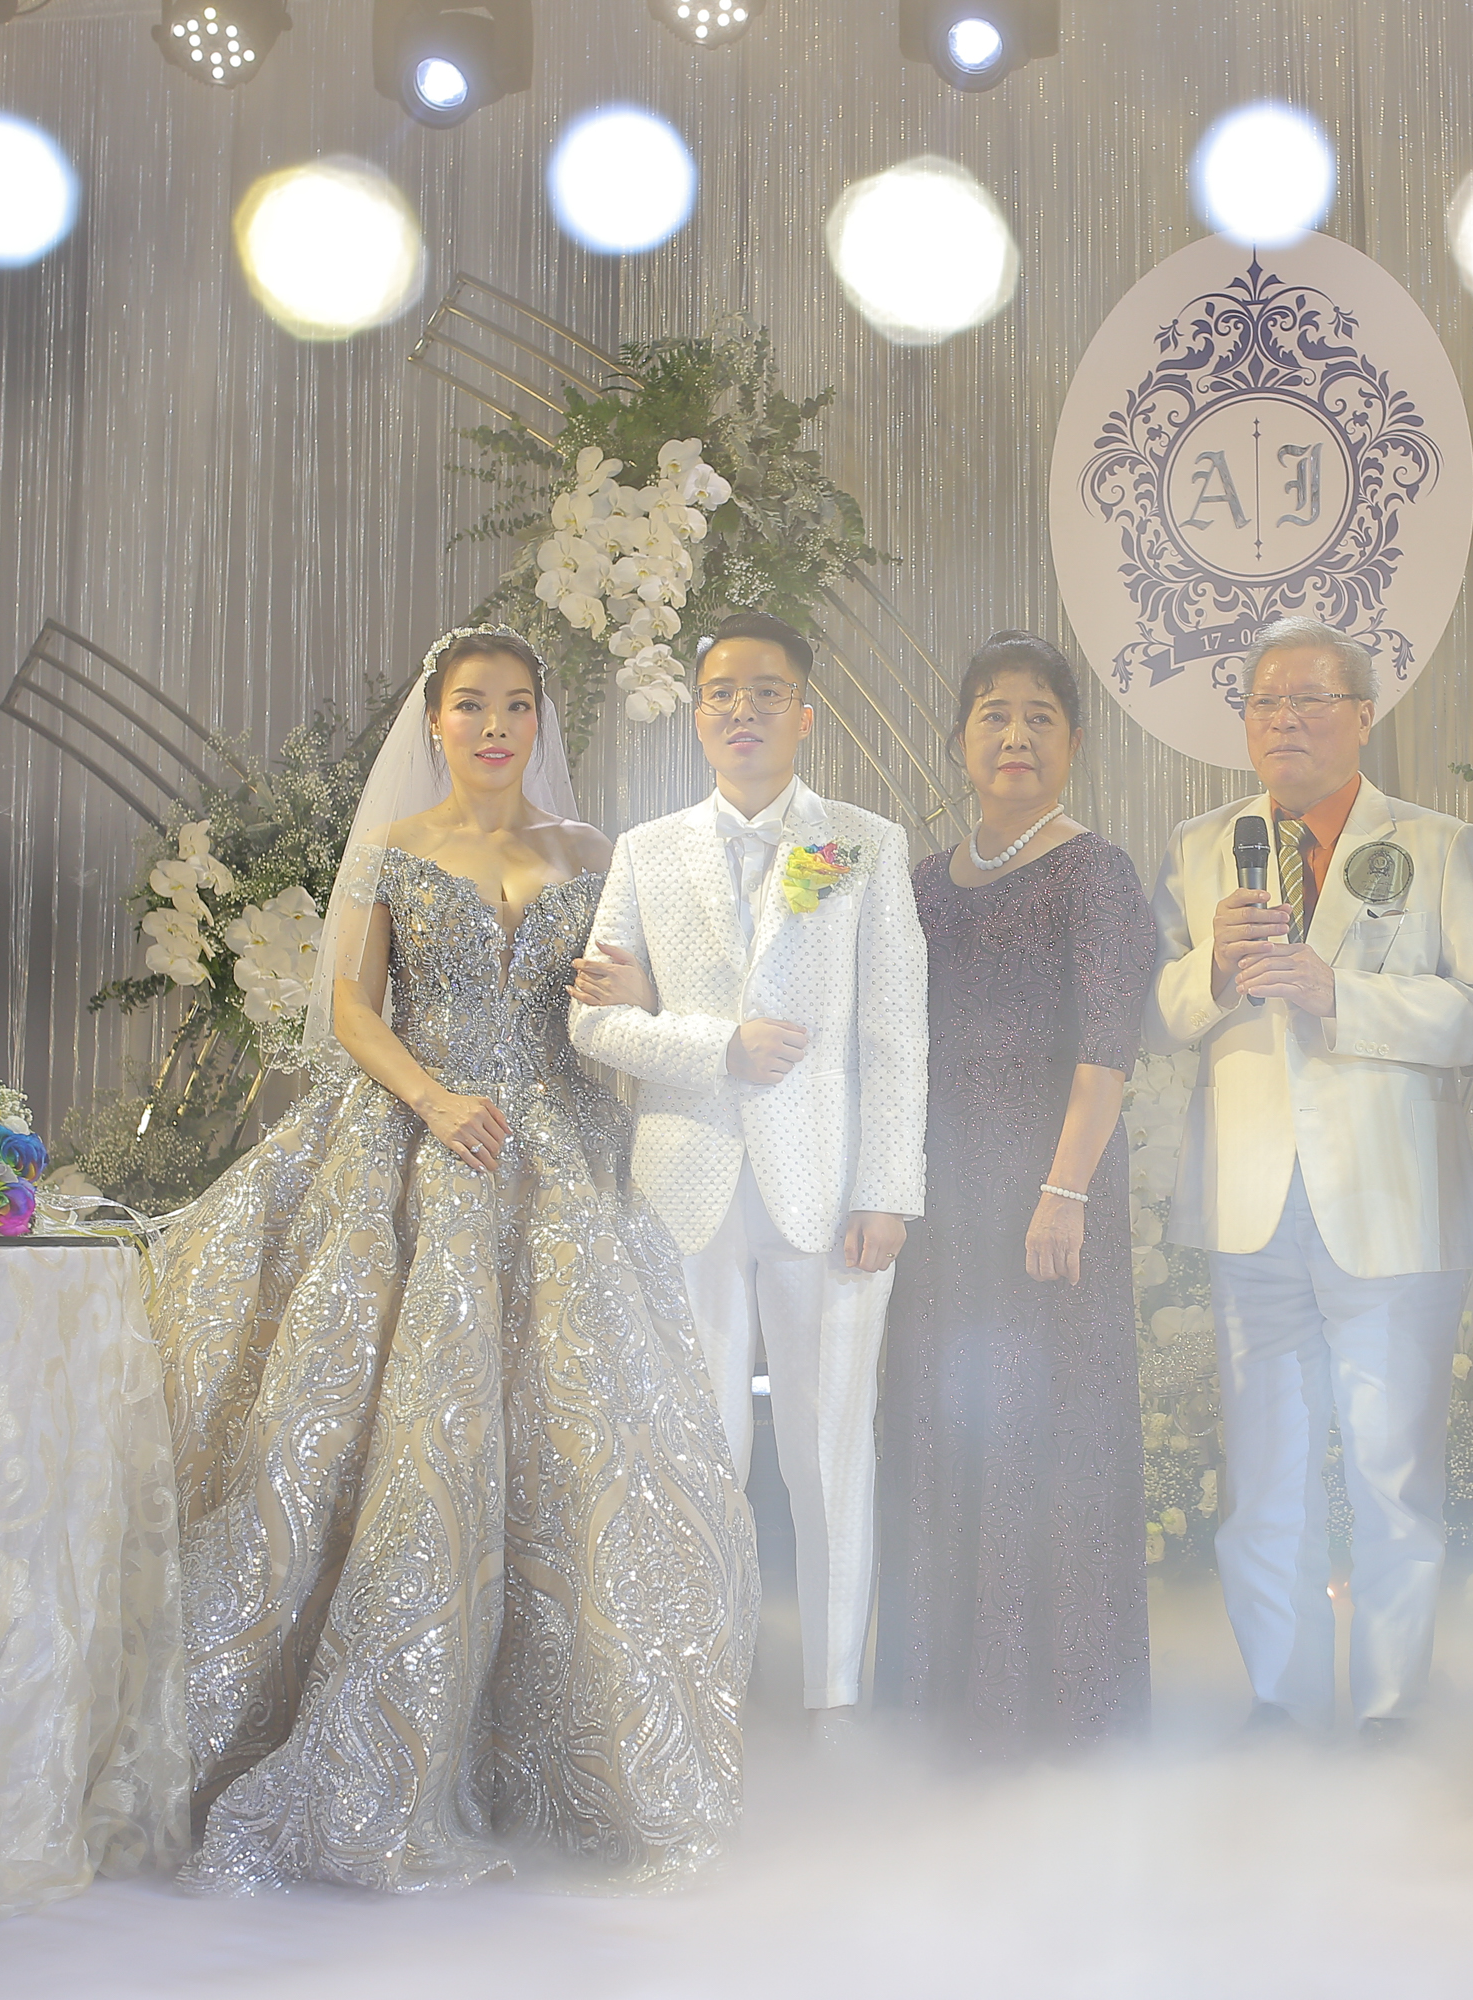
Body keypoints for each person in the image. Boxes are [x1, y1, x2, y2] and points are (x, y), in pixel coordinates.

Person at [148, 626, 756, 1894]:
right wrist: (431, 1099)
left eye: (516, 704)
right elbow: (351, 1007)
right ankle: (392, 1736)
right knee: (417, 1424)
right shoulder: (395, 848)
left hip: (560, 1154)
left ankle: (576, 1751)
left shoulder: (592, 854)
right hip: (426, 1138)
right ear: (433, 719)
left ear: (541, 721)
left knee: (581, 1437)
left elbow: (617, 1012)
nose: (493, 725)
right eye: (471, 704)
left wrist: (624, 988)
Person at [1147, 614, 1473, 1743]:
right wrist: (1214, 971)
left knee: (1392, 1475)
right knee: (1263, 1477)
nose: (1286, 721)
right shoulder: (1203, 845)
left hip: (1393, 1209)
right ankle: (1283, 1694)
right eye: (1266, 701)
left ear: (1363, 715)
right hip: (1251, 1207)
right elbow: (1155, 1012)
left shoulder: (1440, 843)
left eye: (1311, 699)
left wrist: (1339, 994)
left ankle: (1392, 1702)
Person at [569, 610, 926, 1733]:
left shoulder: (862, 843)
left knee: (830, 1446)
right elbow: (593, 1023)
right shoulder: (645, 851)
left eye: (766, 692)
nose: (742, 710)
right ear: (697, 715)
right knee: (696, 1443)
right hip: (685, 1185)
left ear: (804, 714)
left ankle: (834, 1689)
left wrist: (888, 1190)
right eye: (721, 692)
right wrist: (717, 1045)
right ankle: (702, 1676)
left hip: (829, 1188)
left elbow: (894, 1033)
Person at [875, 630, 1160, 1758]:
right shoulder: (918, 884)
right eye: (994, 714)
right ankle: (953, 1689)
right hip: (942, 1203)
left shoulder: (1096, 873)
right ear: (960, 739)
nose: (1016, 736)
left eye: (1041, 716)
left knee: (1046, 1421)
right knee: (949, 1417)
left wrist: (1063, 1189)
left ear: (1075, 742)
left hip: (1048, 1196)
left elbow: (1109, 1047)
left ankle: (1057, 1699)